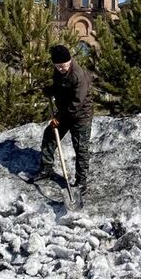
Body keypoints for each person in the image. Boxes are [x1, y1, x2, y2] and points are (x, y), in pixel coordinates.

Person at [29, 45, 93, 196]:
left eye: (65, 65)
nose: (62, 68)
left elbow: (77, 103)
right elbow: (61, 87)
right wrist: (51, 90)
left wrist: (58, 117)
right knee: (50, 135)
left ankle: (81, 181)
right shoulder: (58, 72)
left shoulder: (78, 75)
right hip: (65, 112)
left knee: (80, 148)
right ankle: (46, 168)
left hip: (80, 115)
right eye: (58, 66)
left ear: (70, 60)